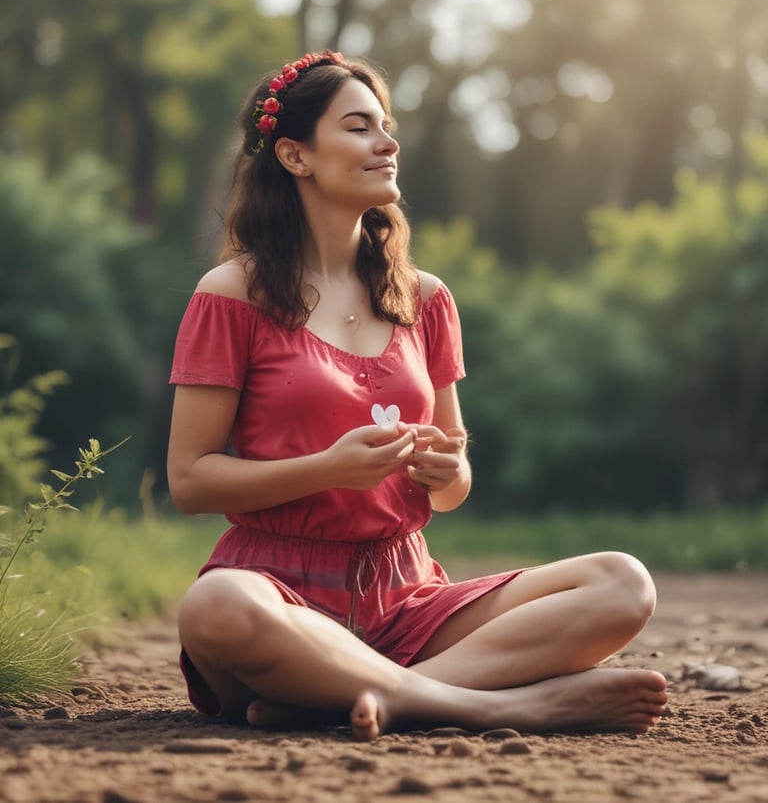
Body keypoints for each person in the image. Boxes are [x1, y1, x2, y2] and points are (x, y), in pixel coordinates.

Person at [166, 49, 668, 740]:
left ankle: (360, 698)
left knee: (623, 582)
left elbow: (454, 484)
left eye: (386, 125)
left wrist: (445, 469)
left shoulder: (424, 298)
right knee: (214, 606)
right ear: (295, 155)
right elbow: (190, 481)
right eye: (359, 127)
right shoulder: (230, 295)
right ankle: (501, 706)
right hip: (275, 594)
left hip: (407, 599)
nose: (387, 143)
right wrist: (329, 470)